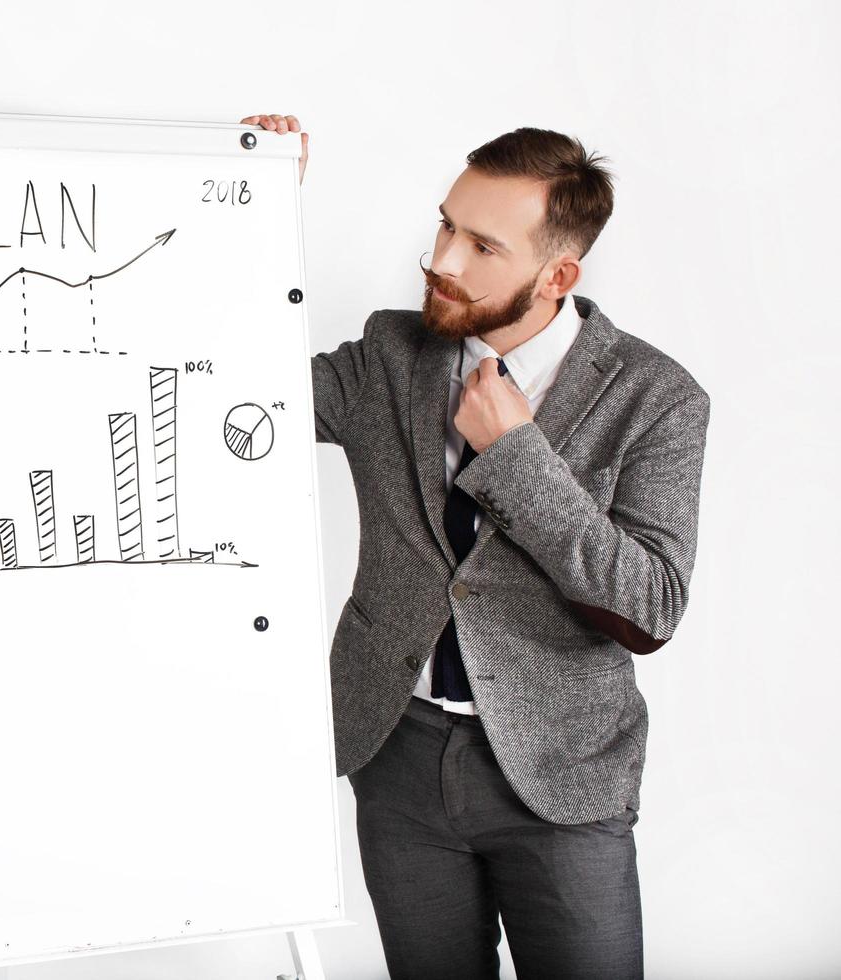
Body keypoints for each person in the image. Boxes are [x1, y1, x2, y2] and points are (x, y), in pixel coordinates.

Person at [243, 114, 710, 978]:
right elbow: (219, 378)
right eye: (446, 226)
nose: (444, 261)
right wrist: (250, 205)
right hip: (398, 752)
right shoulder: (389, 354)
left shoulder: (657, 398)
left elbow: (650, 608)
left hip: (562, 775)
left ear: (557, 273)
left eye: (483, 246)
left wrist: (518, 457)